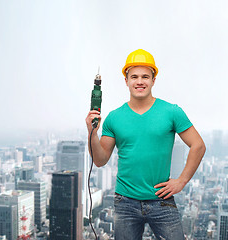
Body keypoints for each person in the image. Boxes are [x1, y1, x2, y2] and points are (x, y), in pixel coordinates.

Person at [85, 49, 206, 240]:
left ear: (153, 80)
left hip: (162, 200)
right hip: (125, 203)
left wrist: (181, 181)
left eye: (145, 76)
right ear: (126, 80)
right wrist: (91, 132)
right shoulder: (114, 117)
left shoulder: (172, 111)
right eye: (134, 76)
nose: (139, 81)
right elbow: (100, 160)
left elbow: (198, 145)